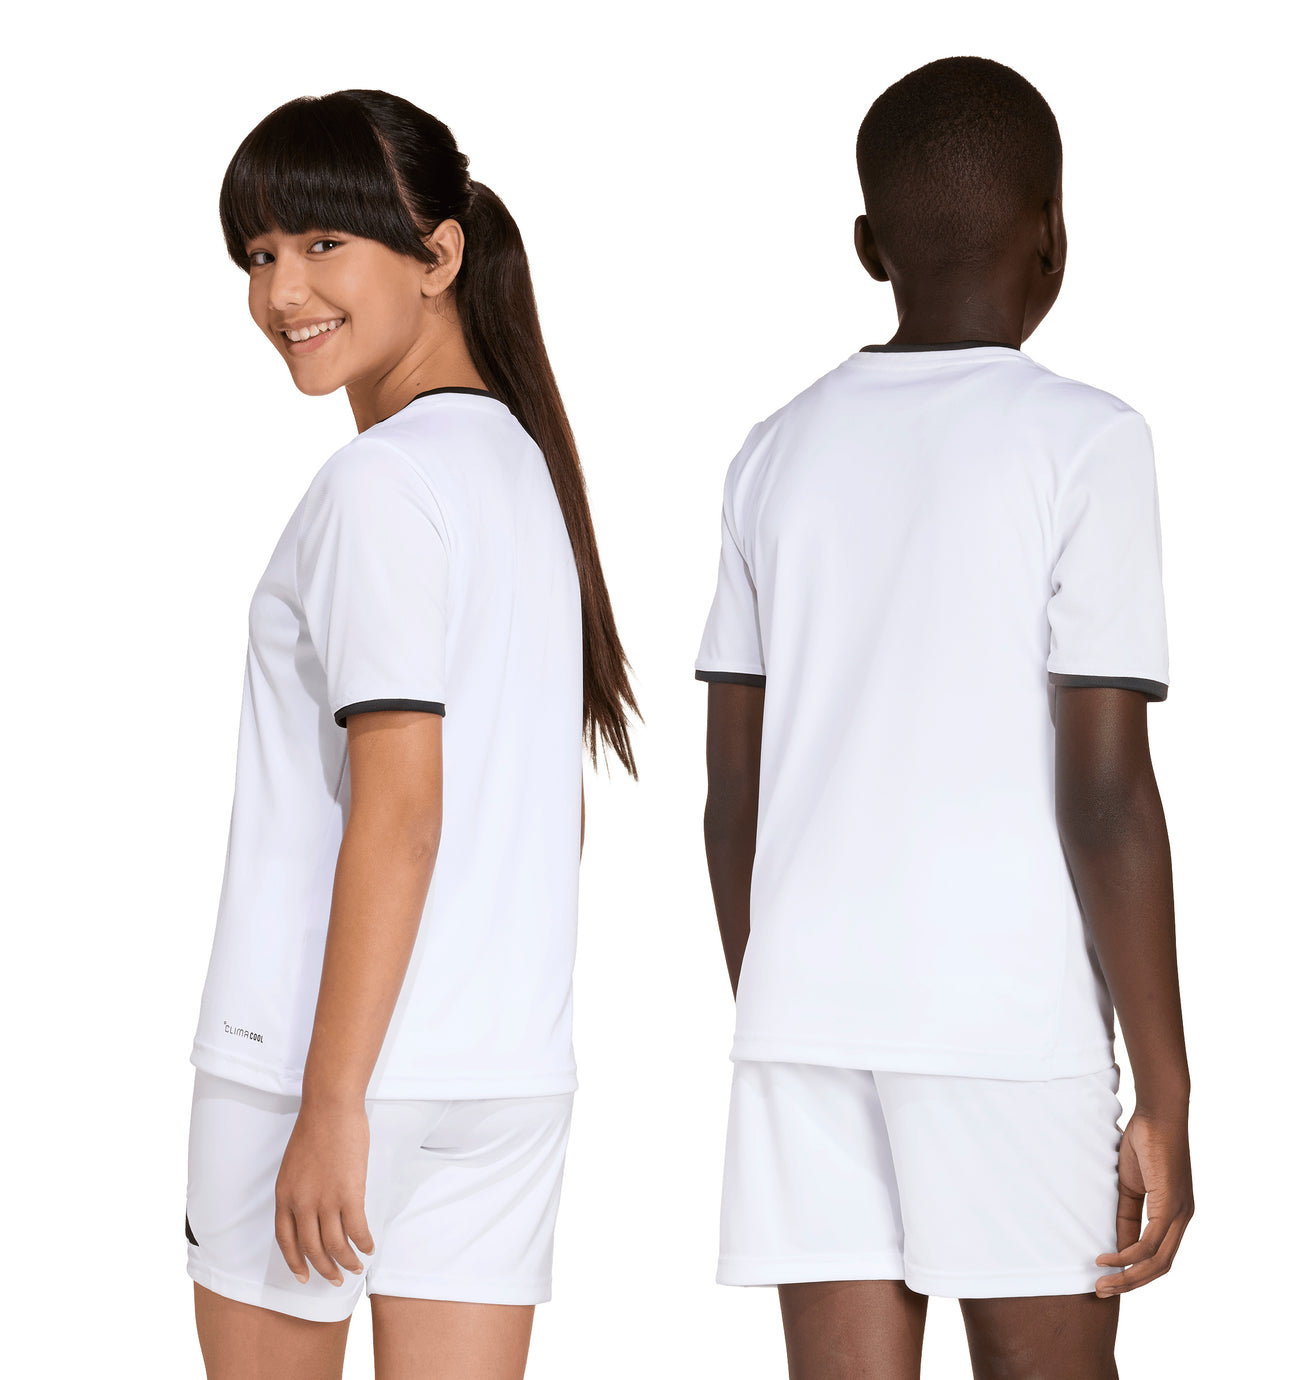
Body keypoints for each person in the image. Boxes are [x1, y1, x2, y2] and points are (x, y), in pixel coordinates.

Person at [695, 56, 1192, 1379]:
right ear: (1055, 235)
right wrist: (1166, 1086)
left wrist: (789, 1000)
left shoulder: (773, 451)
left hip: (803, 1022)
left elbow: (732, 803)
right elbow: (1106, 794)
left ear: (870, 246)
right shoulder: (1086, 441)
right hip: (1006, 1023)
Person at [185, 88, 638, 1378]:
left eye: (323, 244)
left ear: (439, 256)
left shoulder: (380, 483)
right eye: (260, 253)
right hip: (501, 1072)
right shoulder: (523, 472)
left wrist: (335, 1101)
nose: (282, 292)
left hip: (321, 1069)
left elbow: (403, 807)